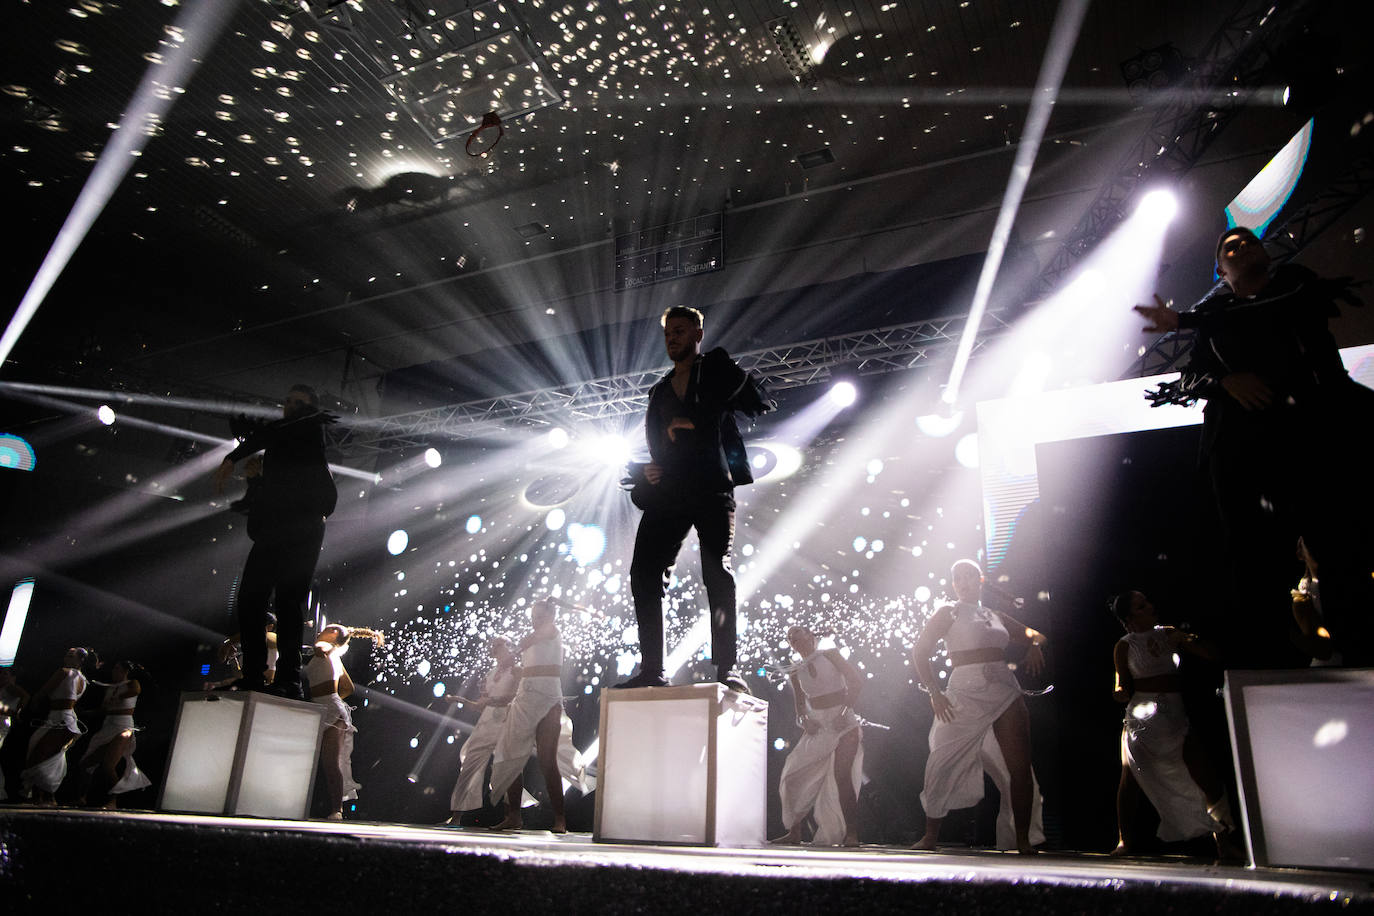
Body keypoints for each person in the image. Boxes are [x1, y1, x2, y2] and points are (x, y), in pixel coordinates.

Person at [1135, 227, 1374, 666]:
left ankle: (1357, 651)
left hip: (1317, 441)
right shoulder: (1213, 317)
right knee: (1255, 562)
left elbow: (1266, 308)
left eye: (1250, 242)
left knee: (1340, 550)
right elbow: (1190, 377)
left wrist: (1185, 320)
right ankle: (1276, 659)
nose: (1243, 247)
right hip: (1251, 457)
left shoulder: (1294, 285)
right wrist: (1224, 381)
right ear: (1220, 271)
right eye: (1231, 247)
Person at [618, 306, 773, 691]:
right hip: (670, 490)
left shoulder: (715, 369)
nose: (673, 338)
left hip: (710, 487)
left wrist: (698, 420)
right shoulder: (658, 391)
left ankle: (727, 669)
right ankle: (653, 669)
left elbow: (756, 402)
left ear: (698, 334)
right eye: (669, 332)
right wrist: (650, 471)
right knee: (643, 573)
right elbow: (660, 448)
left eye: (681, 331)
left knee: (716, 571)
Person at [911, 560, 1046, 854]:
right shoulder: (948, 611)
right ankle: (930, 835)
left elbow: (1035, 634)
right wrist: (935, 692)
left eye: (969, 576)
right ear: (953, 584)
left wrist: (1034, 644)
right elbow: (920, 652)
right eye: (957, 577)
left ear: (980, 580)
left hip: (1003, 687)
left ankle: (1022, 839)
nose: (963, 582)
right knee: (943, 758)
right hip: (963, 690)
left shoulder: (994, 615)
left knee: (1020, 766)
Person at [213, 384, 338, 699]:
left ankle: (289, 679)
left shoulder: (308, 430)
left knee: (288, 602)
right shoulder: (279, 447)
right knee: (250, 598)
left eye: (299, 403)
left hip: (304, 526)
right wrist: (256, 480)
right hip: (276, 529)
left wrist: (234, 456)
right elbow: (268, 500)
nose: (291, 407)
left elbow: (280, 431)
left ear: (309, 409)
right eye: (288, 401)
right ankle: (253, 675)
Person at [1110, 591, 1232, 855]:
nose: (1151, 606)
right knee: (1130, 778)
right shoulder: (1125, 645)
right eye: (1142, 606)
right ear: (1131, 617)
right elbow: (1120, 682)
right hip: (1143, 716)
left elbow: (1211, 654)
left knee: (1206, 775)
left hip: (1174, 714)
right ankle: (1125, 841)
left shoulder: (1167, 633)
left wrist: (1185, 637)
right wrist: (1120, 691)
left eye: (1148, 602)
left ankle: (1224, 840)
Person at [487, 598, 589, 833]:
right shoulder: (532, 639)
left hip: (548, 701)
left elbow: (531, 640)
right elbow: (530, 667)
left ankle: (560, 818)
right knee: (511, 757)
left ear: (551, 617)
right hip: (524, 700)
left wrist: (514, 653)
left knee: (546, 759)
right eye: (533, 618)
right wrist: (515, 668)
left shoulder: (552, 631)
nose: (536, 622)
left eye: (540, 617)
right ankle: (514, 816)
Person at [771, 626, 864, 847]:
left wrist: (843, 712)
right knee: (791, 774)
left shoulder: (830, 655)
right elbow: (800, 708)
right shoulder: (795, 669)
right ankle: (795, 831)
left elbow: (856, 681)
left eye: (799, 635)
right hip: (819, 727)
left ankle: (852, 833)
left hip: (844, 723)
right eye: (791, 638)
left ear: (811, 636)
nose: (796, 640)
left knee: (842, 776)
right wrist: (805, 720)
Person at [305, 623, 383, 820]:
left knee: (331, 762)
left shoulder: (326, 648)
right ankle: (333, 808)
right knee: (325, 762)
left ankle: (337, 809)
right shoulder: (335, 657)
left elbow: (319, 648)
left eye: (325, 629)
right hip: (324, 705)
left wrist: (319, 647)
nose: (320, 632)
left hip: (329, 708)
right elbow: (347, 688)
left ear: (332, 634)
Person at [442, 636, 521, 824]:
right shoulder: (491, 673)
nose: (494, 650)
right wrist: (459, 700)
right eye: (492, 647)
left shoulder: (518, 671)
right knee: (469, 765)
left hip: (506, 721)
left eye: (498, 646)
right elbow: (480, 705)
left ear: (509, 648)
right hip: (486, 723)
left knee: (506, 768)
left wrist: (492, 701)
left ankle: (511, 817)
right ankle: (456, 816)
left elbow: (516, 697)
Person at [20, 647, 93, 804]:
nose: (67, 657)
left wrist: (34, 701)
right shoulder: (82, 679)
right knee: (52, 757)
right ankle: (43, 795)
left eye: (71, 655)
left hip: (61, 719)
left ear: (80, 660)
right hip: (62, 718)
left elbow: (45, 690)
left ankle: (44, 795)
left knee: (39, 756)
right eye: (67, 654)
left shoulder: (66, 672)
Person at [79, 660, 152, 808]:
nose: (114, 672)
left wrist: (119, 696)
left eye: (117, 669)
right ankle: (82, 797)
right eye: (114, 669)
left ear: (125, 671)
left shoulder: (132, 683)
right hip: (108, 726)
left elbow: (135, 691)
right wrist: (84, 713)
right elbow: (104, 709)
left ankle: (113, 801)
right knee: (86, 763)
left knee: (108, 765)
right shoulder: (110, 688)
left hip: (123, 727)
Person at [209, 612, 278, 690]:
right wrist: (233, 658)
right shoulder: (251, 646)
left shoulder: (273, 637)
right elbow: (241, 676)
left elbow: (258, 634)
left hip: (264, 691)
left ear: (270, 627)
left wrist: (228, 643)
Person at [0, 666, 32, 802]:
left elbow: (25, 696)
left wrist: (17, 712)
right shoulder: (4, 688)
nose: (2, 676)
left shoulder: (10, 687)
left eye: (5, 674)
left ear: (12, 677)